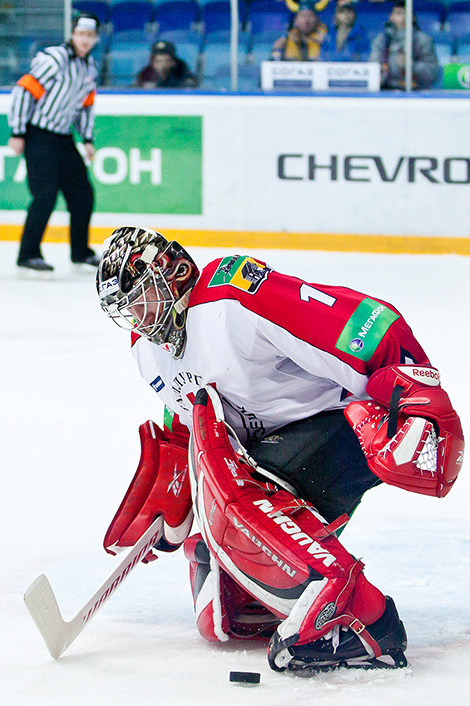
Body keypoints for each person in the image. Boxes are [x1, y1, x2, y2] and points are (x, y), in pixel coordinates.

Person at [96, 226, 464, 674]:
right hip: (271, 448)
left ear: (174, 272)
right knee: (219, 575)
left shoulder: (230, 295)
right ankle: (282, 596)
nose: (138, 318)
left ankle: (362, 619)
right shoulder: (146, 349)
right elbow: (191, 413)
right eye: (128, 309)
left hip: (348, 422)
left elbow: (361, 321)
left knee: (249, 496)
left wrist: (411, 393)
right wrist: (173, 475)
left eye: (143, 298)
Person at [8, 11, 101, 274]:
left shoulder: (89, 67)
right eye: (81, 34)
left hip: (63, 137)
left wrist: (87, 138)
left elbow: (85, 106)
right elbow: (24, 91)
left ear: (95, 38)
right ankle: (28, 254)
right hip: (39, 135)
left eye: (90, 35)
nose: (85, 39)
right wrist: (18, 131)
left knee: (83, 195)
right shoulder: (55, 59)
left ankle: (81, 252)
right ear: (73, 34)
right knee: (45, 195)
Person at [369, 1, 440, 90]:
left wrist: (411, 65)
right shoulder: (381, 40)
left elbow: (433, 74)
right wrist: (382, 70)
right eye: (398, 13)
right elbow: (372, 67)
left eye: (406, 13)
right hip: (386, 90)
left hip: (416, 91)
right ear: (391, 17)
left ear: (413, 17)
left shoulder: (423, 40)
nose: (403, 17)